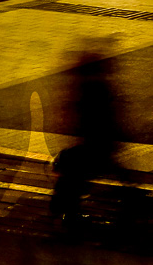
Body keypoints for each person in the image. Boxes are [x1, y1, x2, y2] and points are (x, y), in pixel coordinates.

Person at [49, 50, 121, 230]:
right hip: (98, 142)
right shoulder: (96, 88)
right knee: (78, 173)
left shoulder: (88, 88)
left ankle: (65, 210)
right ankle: (67, 212)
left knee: (75, 173)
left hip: (95, 143)